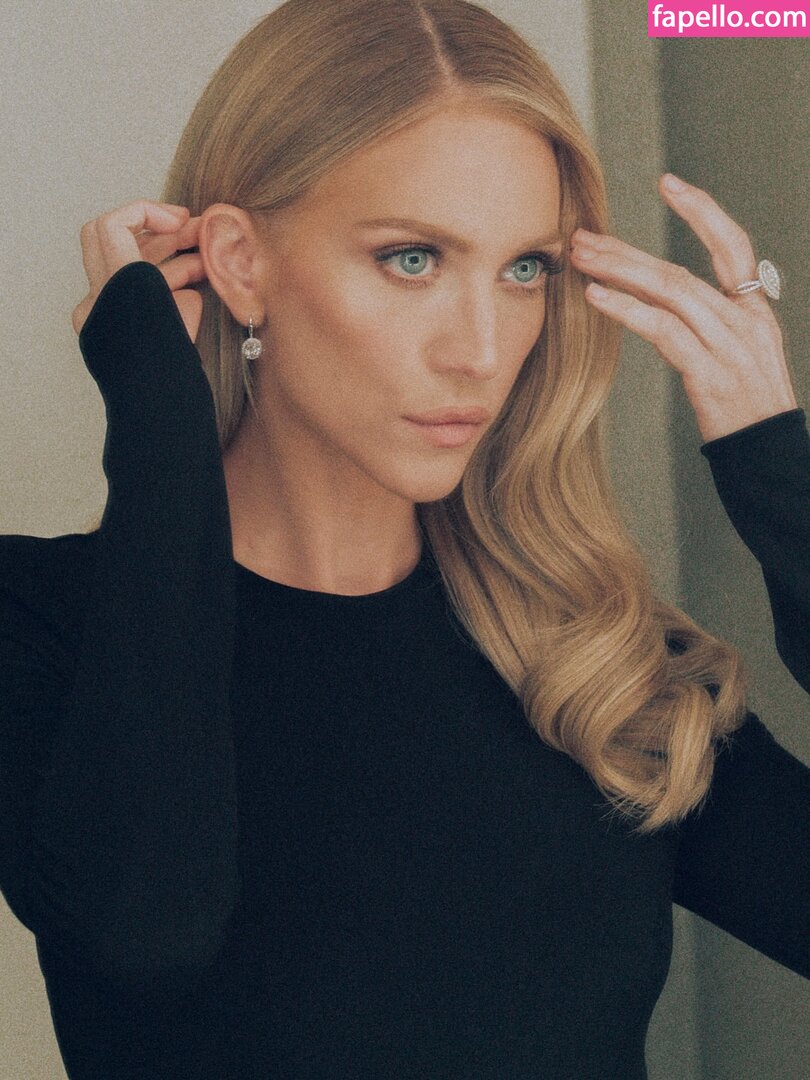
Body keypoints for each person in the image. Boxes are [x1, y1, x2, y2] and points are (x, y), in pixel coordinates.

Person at [1, 0, 807, 1077]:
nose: (482, 350)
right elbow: (146, 931)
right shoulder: (42, 624)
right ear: (238, 262)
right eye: (414, 259)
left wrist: (775, 466)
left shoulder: (592, 668)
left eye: (524, 270)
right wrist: (157, 418)